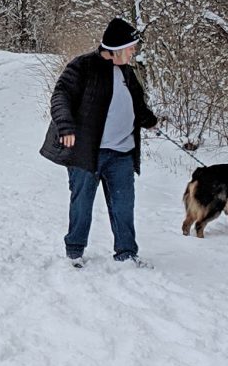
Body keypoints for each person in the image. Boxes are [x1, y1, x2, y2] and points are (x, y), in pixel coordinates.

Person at [39, 16, 158, 268]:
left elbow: (135, 103)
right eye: (130, 48)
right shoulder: (82, 66)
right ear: (115, 49)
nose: (134, 51)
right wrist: (66, 126)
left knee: (124, 205)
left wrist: (149, 120)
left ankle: (126, 254)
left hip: (122, 153)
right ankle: (74, 253)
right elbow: (60, 96)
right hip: (87, 152)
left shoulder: (126, 70)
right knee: (82, 204)